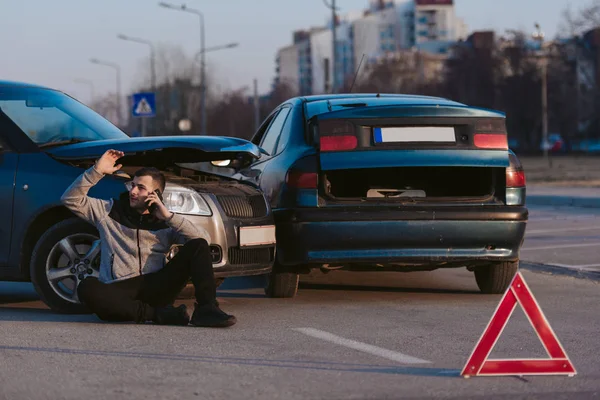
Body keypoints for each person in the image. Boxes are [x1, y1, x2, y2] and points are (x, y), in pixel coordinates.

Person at [61, 149, 236, 327]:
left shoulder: (165, 221)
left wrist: (168, 217)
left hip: (156, 286)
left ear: (156, 195)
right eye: (132, 185)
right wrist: (96, 171)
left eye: (141, 187)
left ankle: (206, 310)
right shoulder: (109, 211)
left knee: (197, 245)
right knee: (87, 288)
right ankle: (157, 315)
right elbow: (70, 199)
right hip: (120, 288)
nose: (133, 191)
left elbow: (202, 240)